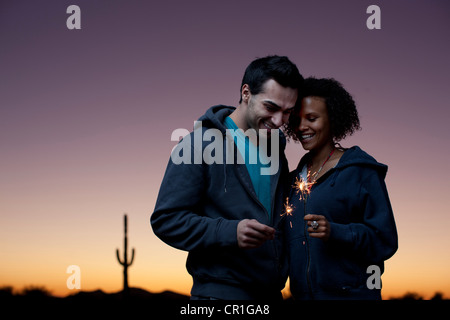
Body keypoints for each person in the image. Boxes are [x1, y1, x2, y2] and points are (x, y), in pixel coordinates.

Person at [151, 56, 304, 300]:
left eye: (287, 112)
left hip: (271, 295)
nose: (278, 121)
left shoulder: (276, 152)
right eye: (271, 107)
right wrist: (229, 232)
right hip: (218, 297)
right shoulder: (196, 145)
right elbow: (166, 221)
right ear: (246, 93)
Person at [284, 77, 398, 300]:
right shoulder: (290, 182)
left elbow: (385, 241)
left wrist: (336, 232)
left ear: (333, 119)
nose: (301, 127)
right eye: (297, 120)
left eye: (312, 118)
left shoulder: (361, 171)